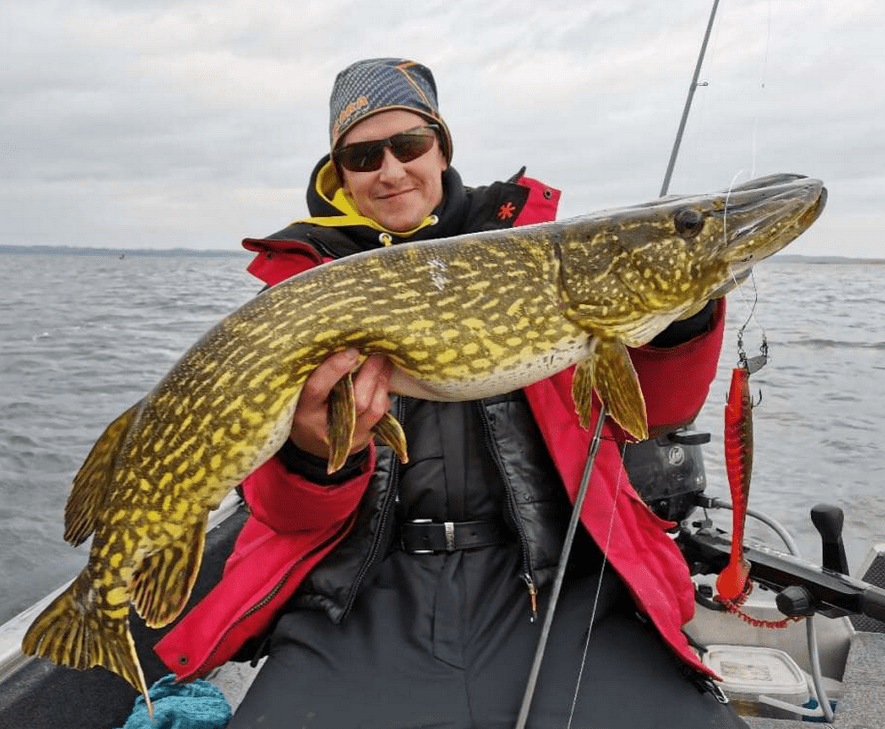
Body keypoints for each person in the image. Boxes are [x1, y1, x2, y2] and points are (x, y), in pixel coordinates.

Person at [155, 58, 748, 728]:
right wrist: (314, 454)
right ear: (339, 173)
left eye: (408, 145)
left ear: (441, 149)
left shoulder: (538, 258)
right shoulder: (302, 290)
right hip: (360, 597)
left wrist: (682, 312)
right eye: (362, 155)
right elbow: (282, 514)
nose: (390, 170)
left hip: (559, 586)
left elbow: (660, 413)